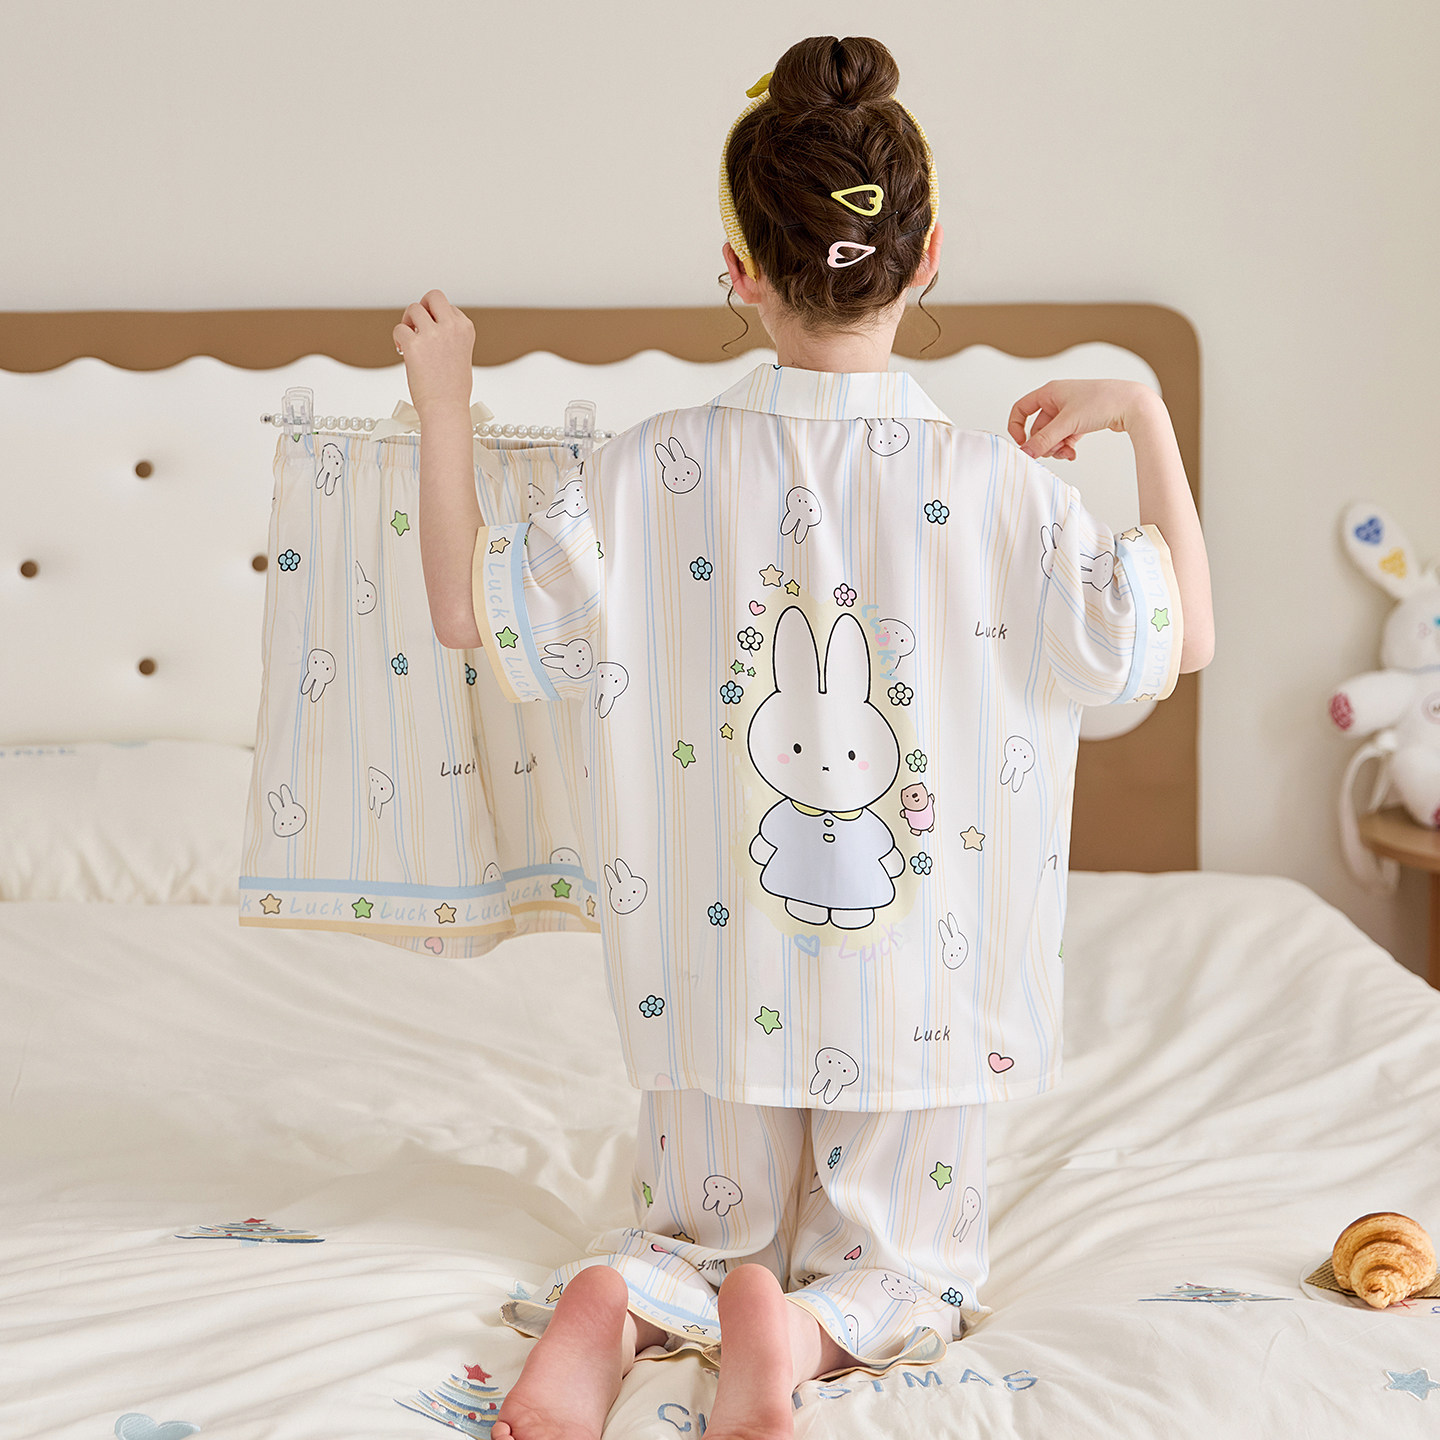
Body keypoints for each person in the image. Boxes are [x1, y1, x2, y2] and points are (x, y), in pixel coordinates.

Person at [398, 33, 1214, 1440]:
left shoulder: (648, 468)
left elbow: (471, 614)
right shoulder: (1003, 489)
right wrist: (1143, 413)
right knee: (914, 1269)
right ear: (929, 255)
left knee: (698, 1226)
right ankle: (807, 1330)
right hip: (923, 1006)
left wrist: (443, 401)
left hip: (710, 1000)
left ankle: (637, 1294)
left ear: (737, 270)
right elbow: (1178, 638)